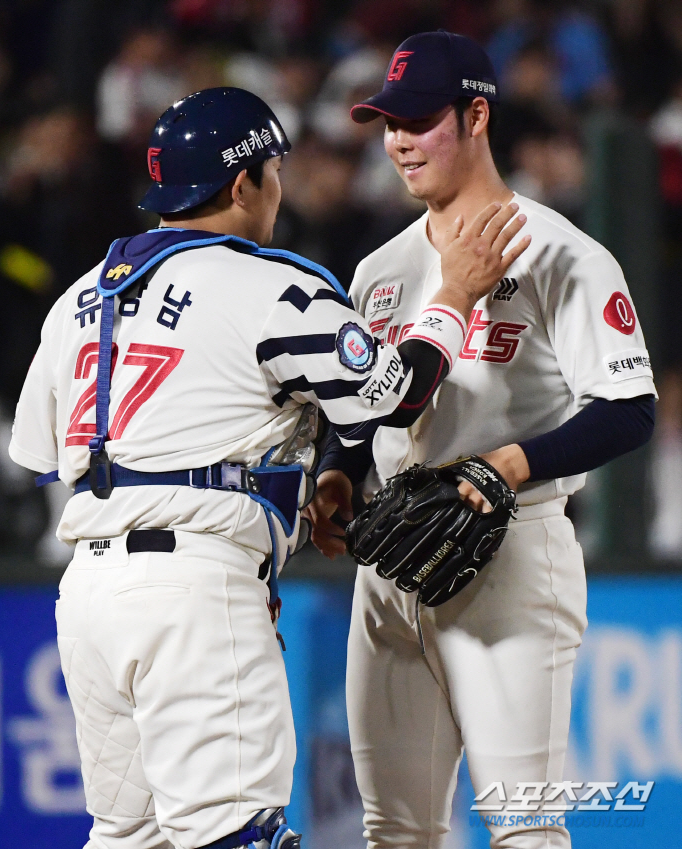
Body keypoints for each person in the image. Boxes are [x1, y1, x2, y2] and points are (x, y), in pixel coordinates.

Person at [7, 86, 529, 849]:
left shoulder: (80, 299)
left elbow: (39, 452)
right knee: (236, 835)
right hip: (193, 586)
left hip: (86, 592)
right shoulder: (271, 285)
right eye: (272, 169)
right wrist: (454, 292)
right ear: (243, 180)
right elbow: (396, 395)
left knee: (128, 836)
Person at [306, 31, 657, 849]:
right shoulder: (379, 270)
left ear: (475, 115)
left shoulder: (563, 253)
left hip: (509, 552)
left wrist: (513, 461)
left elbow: (629, 406)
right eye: (386, 121)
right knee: (394, 832)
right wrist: (334, 474)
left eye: (418, 120)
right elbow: (364, 415)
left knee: (524, 829)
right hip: (391, 562)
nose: (396, 140)